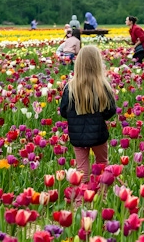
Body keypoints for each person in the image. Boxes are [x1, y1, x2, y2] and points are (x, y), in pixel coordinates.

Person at [60, 45, 116, 183]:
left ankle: (81, 201)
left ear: (78, 64)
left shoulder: (70, 87)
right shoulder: (103, 86)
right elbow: (110, 111)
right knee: (102, 163)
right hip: (98, 135)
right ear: (98, 64)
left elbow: (63, 111)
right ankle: (101, 197)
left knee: (82, 169)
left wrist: (76, 118)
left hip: (77, 136)